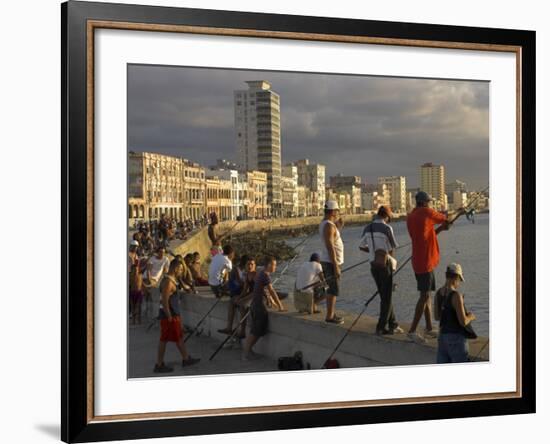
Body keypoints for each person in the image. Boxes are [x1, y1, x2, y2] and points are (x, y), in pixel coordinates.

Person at [406, 191, 465, 343]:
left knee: (427, 295)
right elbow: (448, 218)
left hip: (418, 261)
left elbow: (426, 236)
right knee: (424, 296)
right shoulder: (427, 212)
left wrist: (441, 229)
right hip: (425, 262)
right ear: (424, 203)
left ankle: (429, 328)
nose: (431, 204)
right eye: (429, 202)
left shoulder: (411, 216)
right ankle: (412, 331)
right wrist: (459, 211)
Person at [359, 206, 404, 335]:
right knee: (387, 297)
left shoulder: (368, 228)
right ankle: (381, 326)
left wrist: (372, 251)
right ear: (386, 216)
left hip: (373, 265)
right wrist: (393, 265)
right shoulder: (387, 228)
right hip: (385, 266)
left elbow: (361, 246)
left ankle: (393, 324)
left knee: (384, 296)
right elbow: (392, 248)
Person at [154, 259, 200, 373]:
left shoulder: (170, 280)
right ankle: (159, 365)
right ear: (175, 268)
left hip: (172, 314)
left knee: (178, 337)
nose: (181, 271)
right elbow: (164, 300)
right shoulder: (168, 282)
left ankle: (185, 358)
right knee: (165, 339)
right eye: (180, 269)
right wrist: (169, 316)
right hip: (169, 315)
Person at [242, 256, 285, 360]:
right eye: (274, 264)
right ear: (269, 265)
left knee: (256, 331)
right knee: (255, 332)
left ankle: (249, 351)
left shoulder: (260, 273)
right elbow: (271, 291)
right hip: (258, 307)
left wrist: (272, 302)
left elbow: (264, 291)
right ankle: (246, 354)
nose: (275, 267)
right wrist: (280, 305)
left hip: (255, 305)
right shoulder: (265, 275)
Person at [434, 263, 475, 363]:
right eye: (459, 280)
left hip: (442, 338)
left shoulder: (438, 293)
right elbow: (463, 322)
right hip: (456, 339)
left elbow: (437, 317)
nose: (459, 283)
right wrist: (471, 316)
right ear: (456, 277)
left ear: (446, 275)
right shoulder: (456, 295)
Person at [319, 200, 345, 324]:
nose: (338, 213)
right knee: (333, 289)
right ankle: (330, 316)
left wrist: (338, 227)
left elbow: (333, 238)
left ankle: (331, 314)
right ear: (333, 211)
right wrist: (335, 266)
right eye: (337, 211)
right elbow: (330, 246)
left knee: (332, 288)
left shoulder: (327, 224)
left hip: (329, 261)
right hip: (330, 262)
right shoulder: (329, 225)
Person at [217, 255, 251, 337]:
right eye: (248, 264)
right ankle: (230, 328)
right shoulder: (236, 269)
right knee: (234, 303)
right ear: (244, 263)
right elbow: (240, 283)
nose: (249, 266)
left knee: (240, 306)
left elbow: (245, 285)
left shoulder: (248, 271)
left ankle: (240, 331)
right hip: (236, 292)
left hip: (242, 292)